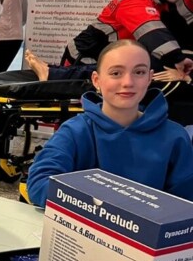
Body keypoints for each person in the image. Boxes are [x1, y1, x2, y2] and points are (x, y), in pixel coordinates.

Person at [27, 40, 193, 207]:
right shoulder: (75, 131)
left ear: (150, 78)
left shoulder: (175, 137)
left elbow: (185, 203)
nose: (128, 82)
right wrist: (102, 211)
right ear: (96, 80)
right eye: (116, 73)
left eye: (139, 72)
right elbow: (40, 183)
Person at [64, 0, 193, 77]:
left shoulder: (161, 2)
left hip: (108, 58)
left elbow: (179, 31)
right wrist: (178, 59)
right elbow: (153, 32)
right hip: (84, 59)